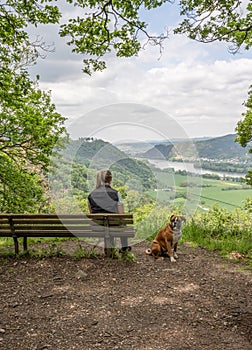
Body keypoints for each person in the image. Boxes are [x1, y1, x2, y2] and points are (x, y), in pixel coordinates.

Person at [88, 169, 131, 252]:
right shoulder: (116, 193)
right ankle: (124, 248)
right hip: (114, 225)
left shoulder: (91, 195)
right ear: (110, 179)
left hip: (98, 226)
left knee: (107, 222)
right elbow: (121, 214)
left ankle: (110, 250)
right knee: (122, 222)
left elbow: (92, 213)